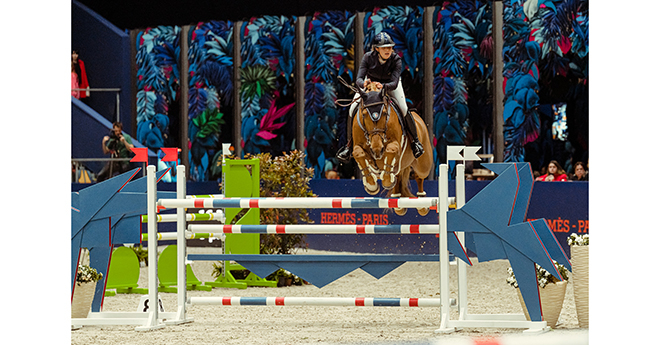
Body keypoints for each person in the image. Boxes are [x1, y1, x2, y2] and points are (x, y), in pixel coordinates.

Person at [336, 32, 424, 163]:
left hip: (390, 85)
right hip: (370, 84)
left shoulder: (396, 60)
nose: (388, 50)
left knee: (403, 107)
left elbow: (394, 83)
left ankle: (415, 142)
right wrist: (364, 83)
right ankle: (349, 146)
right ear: (377, 48)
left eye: (390, 47)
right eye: (384, 48)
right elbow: (359, 78)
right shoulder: (367, 57)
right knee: (352, 108)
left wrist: (383, 86)